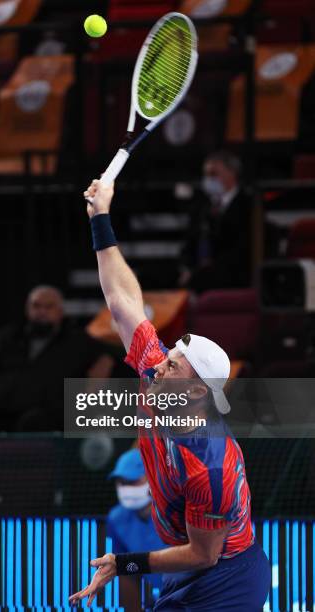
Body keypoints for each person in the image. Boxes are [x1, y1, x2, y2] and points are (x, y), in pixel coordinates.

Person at [69, 179, 270, 610]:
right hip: (188, 565)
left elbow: (204, 553)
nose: (160, 365)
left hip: (228, 576)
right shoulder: (155, 376)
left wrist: (124, 564)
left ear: (197, 390)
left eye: (174, 363)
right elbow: (123, 301)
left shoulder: (211, 465)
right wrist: (101, 218)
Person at [0, 285, 116, 432]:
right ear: (27, 309)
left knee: (34, 422)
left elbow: (118, 348)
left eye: (48, 307)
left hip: (48, 420)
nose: (41, 312)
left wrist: (106, 359)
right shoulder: (9, 337)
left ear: (60, 312)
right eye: (36, 306)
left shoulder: (78, 342)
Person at [179, 150, 252, 293]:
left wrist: (204, 272)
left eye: (213, 174)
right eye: (206, 175)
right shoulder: (202, 206)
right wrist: (186, 267)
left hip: (232, 276)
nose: (208, 180)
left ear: (232, 173)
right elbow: (189, 242)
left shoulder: (248, 205)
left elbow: (242, 250)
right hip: (200, 274)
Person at [107, 448, 167, 610]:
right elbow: (126, 574)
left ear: (153, 478)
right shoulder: (116, 519)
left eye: (132, 481)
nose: (125, 487)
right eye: (121, 482)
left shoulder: (177, 510)